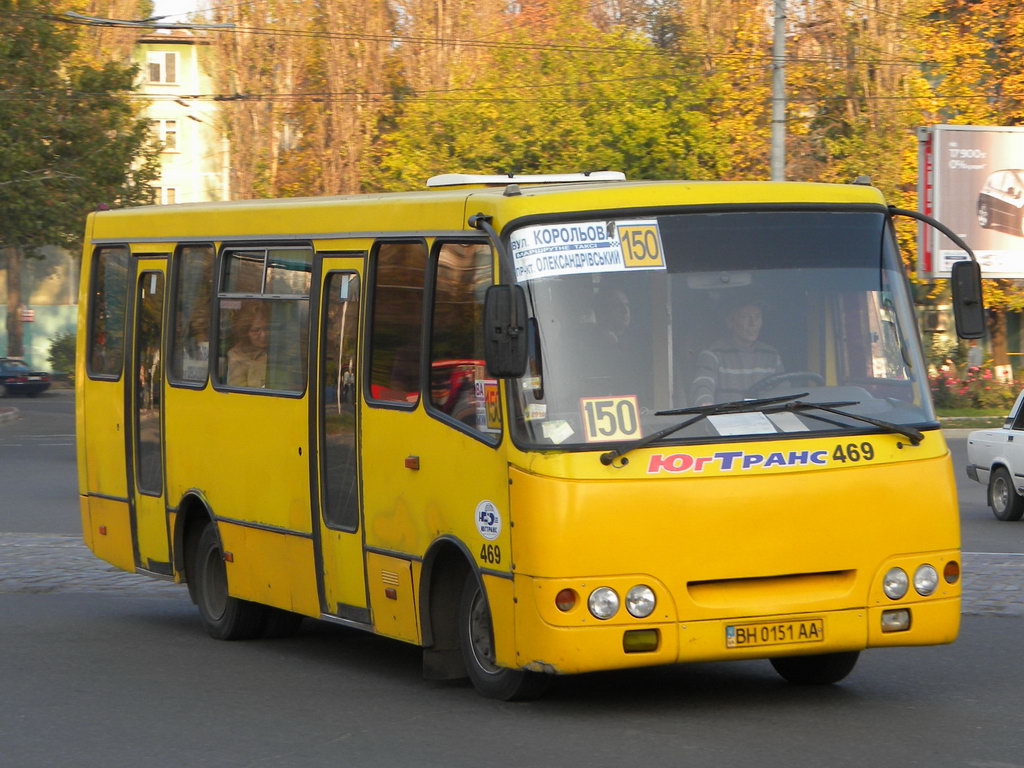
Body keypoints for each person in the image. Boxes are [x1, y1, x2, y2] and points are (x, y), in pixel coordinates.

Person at [691, 300, 783, 406]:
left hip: (765, 419)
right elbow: (703, 385)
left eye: (757, 317)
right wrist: (705, 402)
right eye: (745, 317)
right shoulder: (713, 355)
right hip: (727, 419)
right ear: (730, 322)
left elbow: (783, 391)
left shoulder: (771, 355)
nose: (753, 323)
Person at [227, 305, 269, 387]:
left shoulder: (277, 352)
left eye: (266, 328)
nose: (263, 335)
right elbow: (237, 391)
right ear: (245, 333)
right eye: (256, 330)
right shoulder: (237, 357)